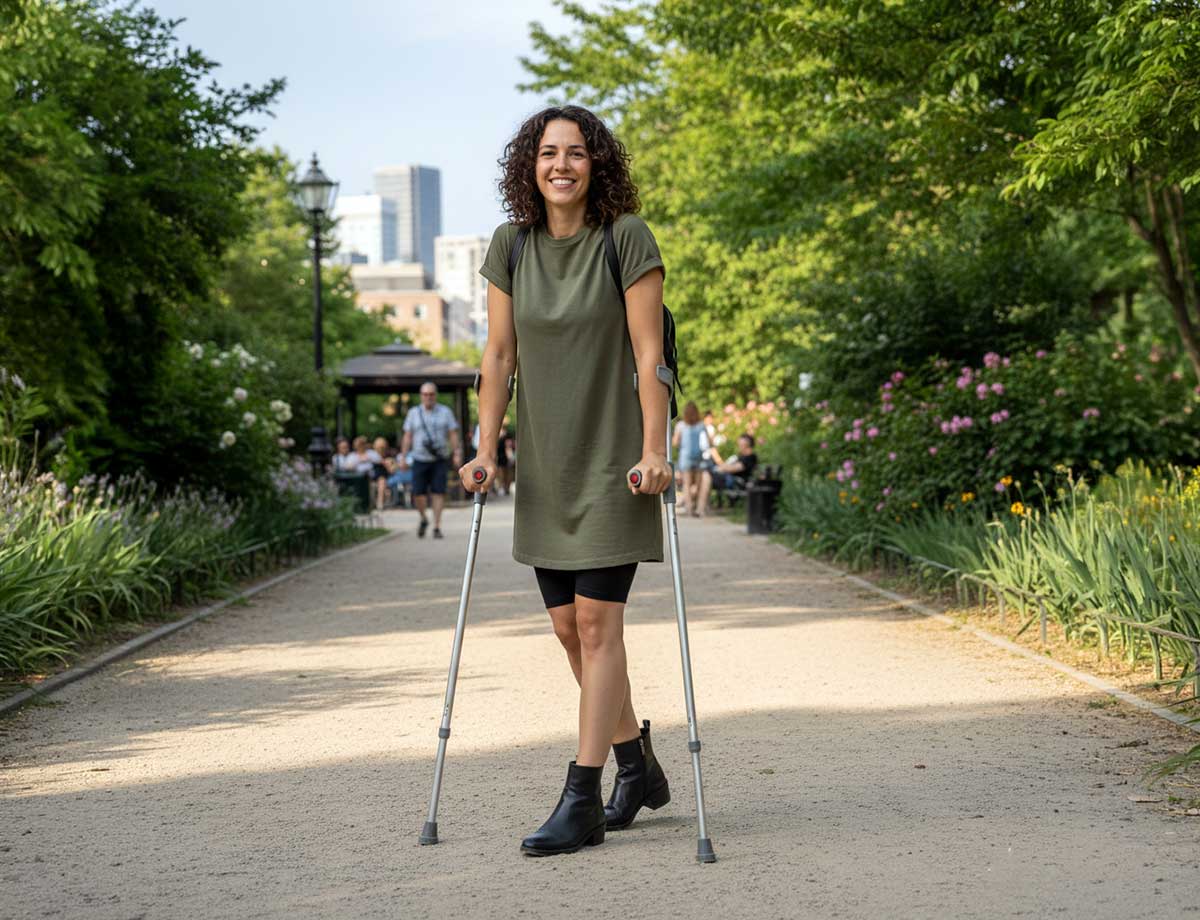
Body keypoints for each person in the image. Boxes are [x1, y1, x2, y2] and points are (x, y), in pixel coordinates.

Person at [464, 105, 672, 857]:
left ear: (597, 164)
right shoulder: (510, 246)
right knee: (564, 629)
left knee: (596, 625)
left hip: (618, 464)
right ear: (530, 164)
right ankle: (636, 765)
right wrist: (485, 447)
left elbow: (652, 354)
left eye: (576, 153)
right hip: (548, 468)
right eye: (548, 152)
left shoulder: (625, 239)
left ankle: (580, 798)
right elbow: (497, 357)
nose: (561, 165)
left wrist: (657, 448)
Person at [400, 382, 461, 538]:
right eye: (425, 394)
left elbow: (453, 433)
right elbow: (407, 436)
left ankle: (437, 526)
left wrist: (456, 453)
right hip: (419, 458)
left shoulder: (445, 412)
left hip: (439, 458)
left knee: (438, 492)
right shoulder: (413, 413)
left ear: (436, 395)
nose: (428, 397)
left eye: (431, 394)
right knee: (418, 493)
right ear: (421, 396)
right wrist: (403, 457)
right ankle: (423, 518)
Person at [672, 401, 712, 517]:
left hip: (685, 457)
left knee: (687, 484)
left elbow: (675, 442)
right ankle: (699, 509)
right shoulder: (701, 425)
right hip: (698, 457)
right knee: (697, 485)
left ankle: (689, 509)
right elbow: (709, 441)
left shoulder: (681, 425)